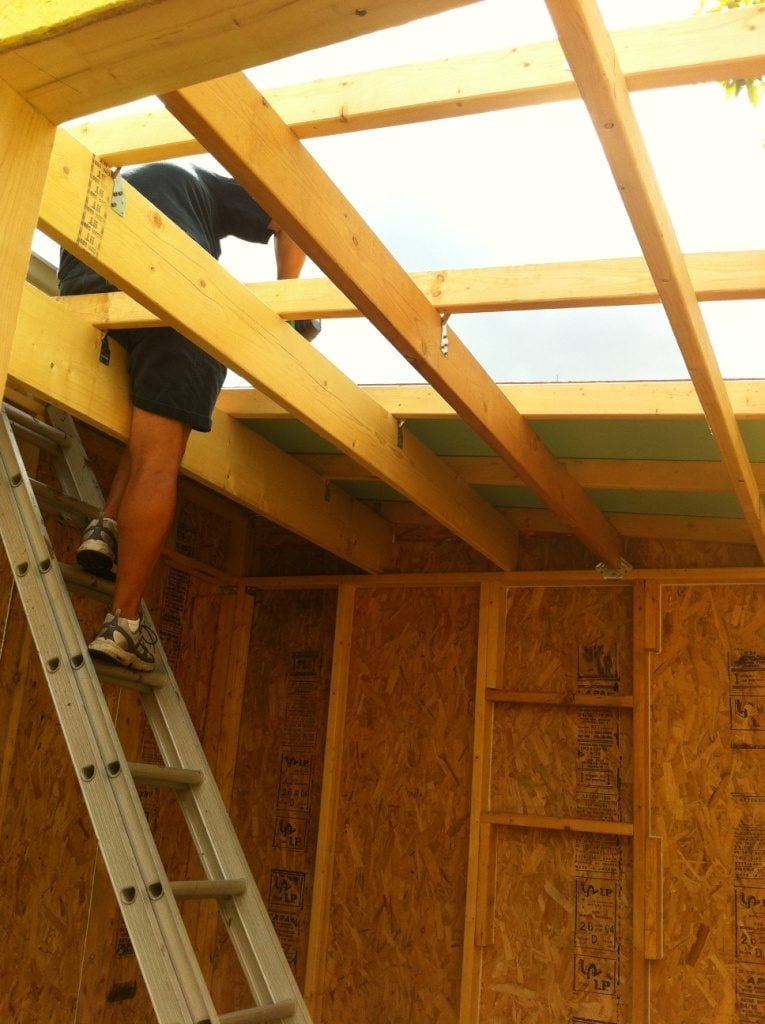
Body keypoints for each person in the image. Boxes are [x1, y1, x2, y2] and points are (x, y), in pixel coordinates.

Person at [59, 162, 315, 672]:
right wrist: (292, 302)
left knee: (150, 422)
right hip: (175, 293)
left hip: (88, 293)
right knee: (160, 460)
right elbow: (292, 218)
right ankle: (123, 624)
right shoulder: (205, 186)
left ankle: (106, 525)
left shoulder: (131, 184)